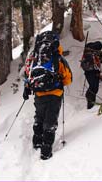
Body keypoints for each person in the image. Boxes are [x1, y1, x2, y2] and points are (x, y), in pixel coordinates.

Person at [23, 31, 72, 160]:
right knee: (50, 120)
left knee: (39, 116)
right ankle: (46, 152)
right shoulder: (57, 57)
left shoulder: (34, 58)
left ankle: (37, 141)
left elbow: (27, 73)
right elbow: (68, 79)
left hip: (39, 93)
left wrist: (27, 87)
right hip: (55, 93)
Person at [80, 41, 102, 109]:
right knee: (93, 87)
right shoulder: (94, 52)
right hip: (93, 72)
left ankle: (91, 100)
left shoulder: (88, 51)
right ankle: (90, 103)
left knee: (94, 87)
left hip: (89, 72)